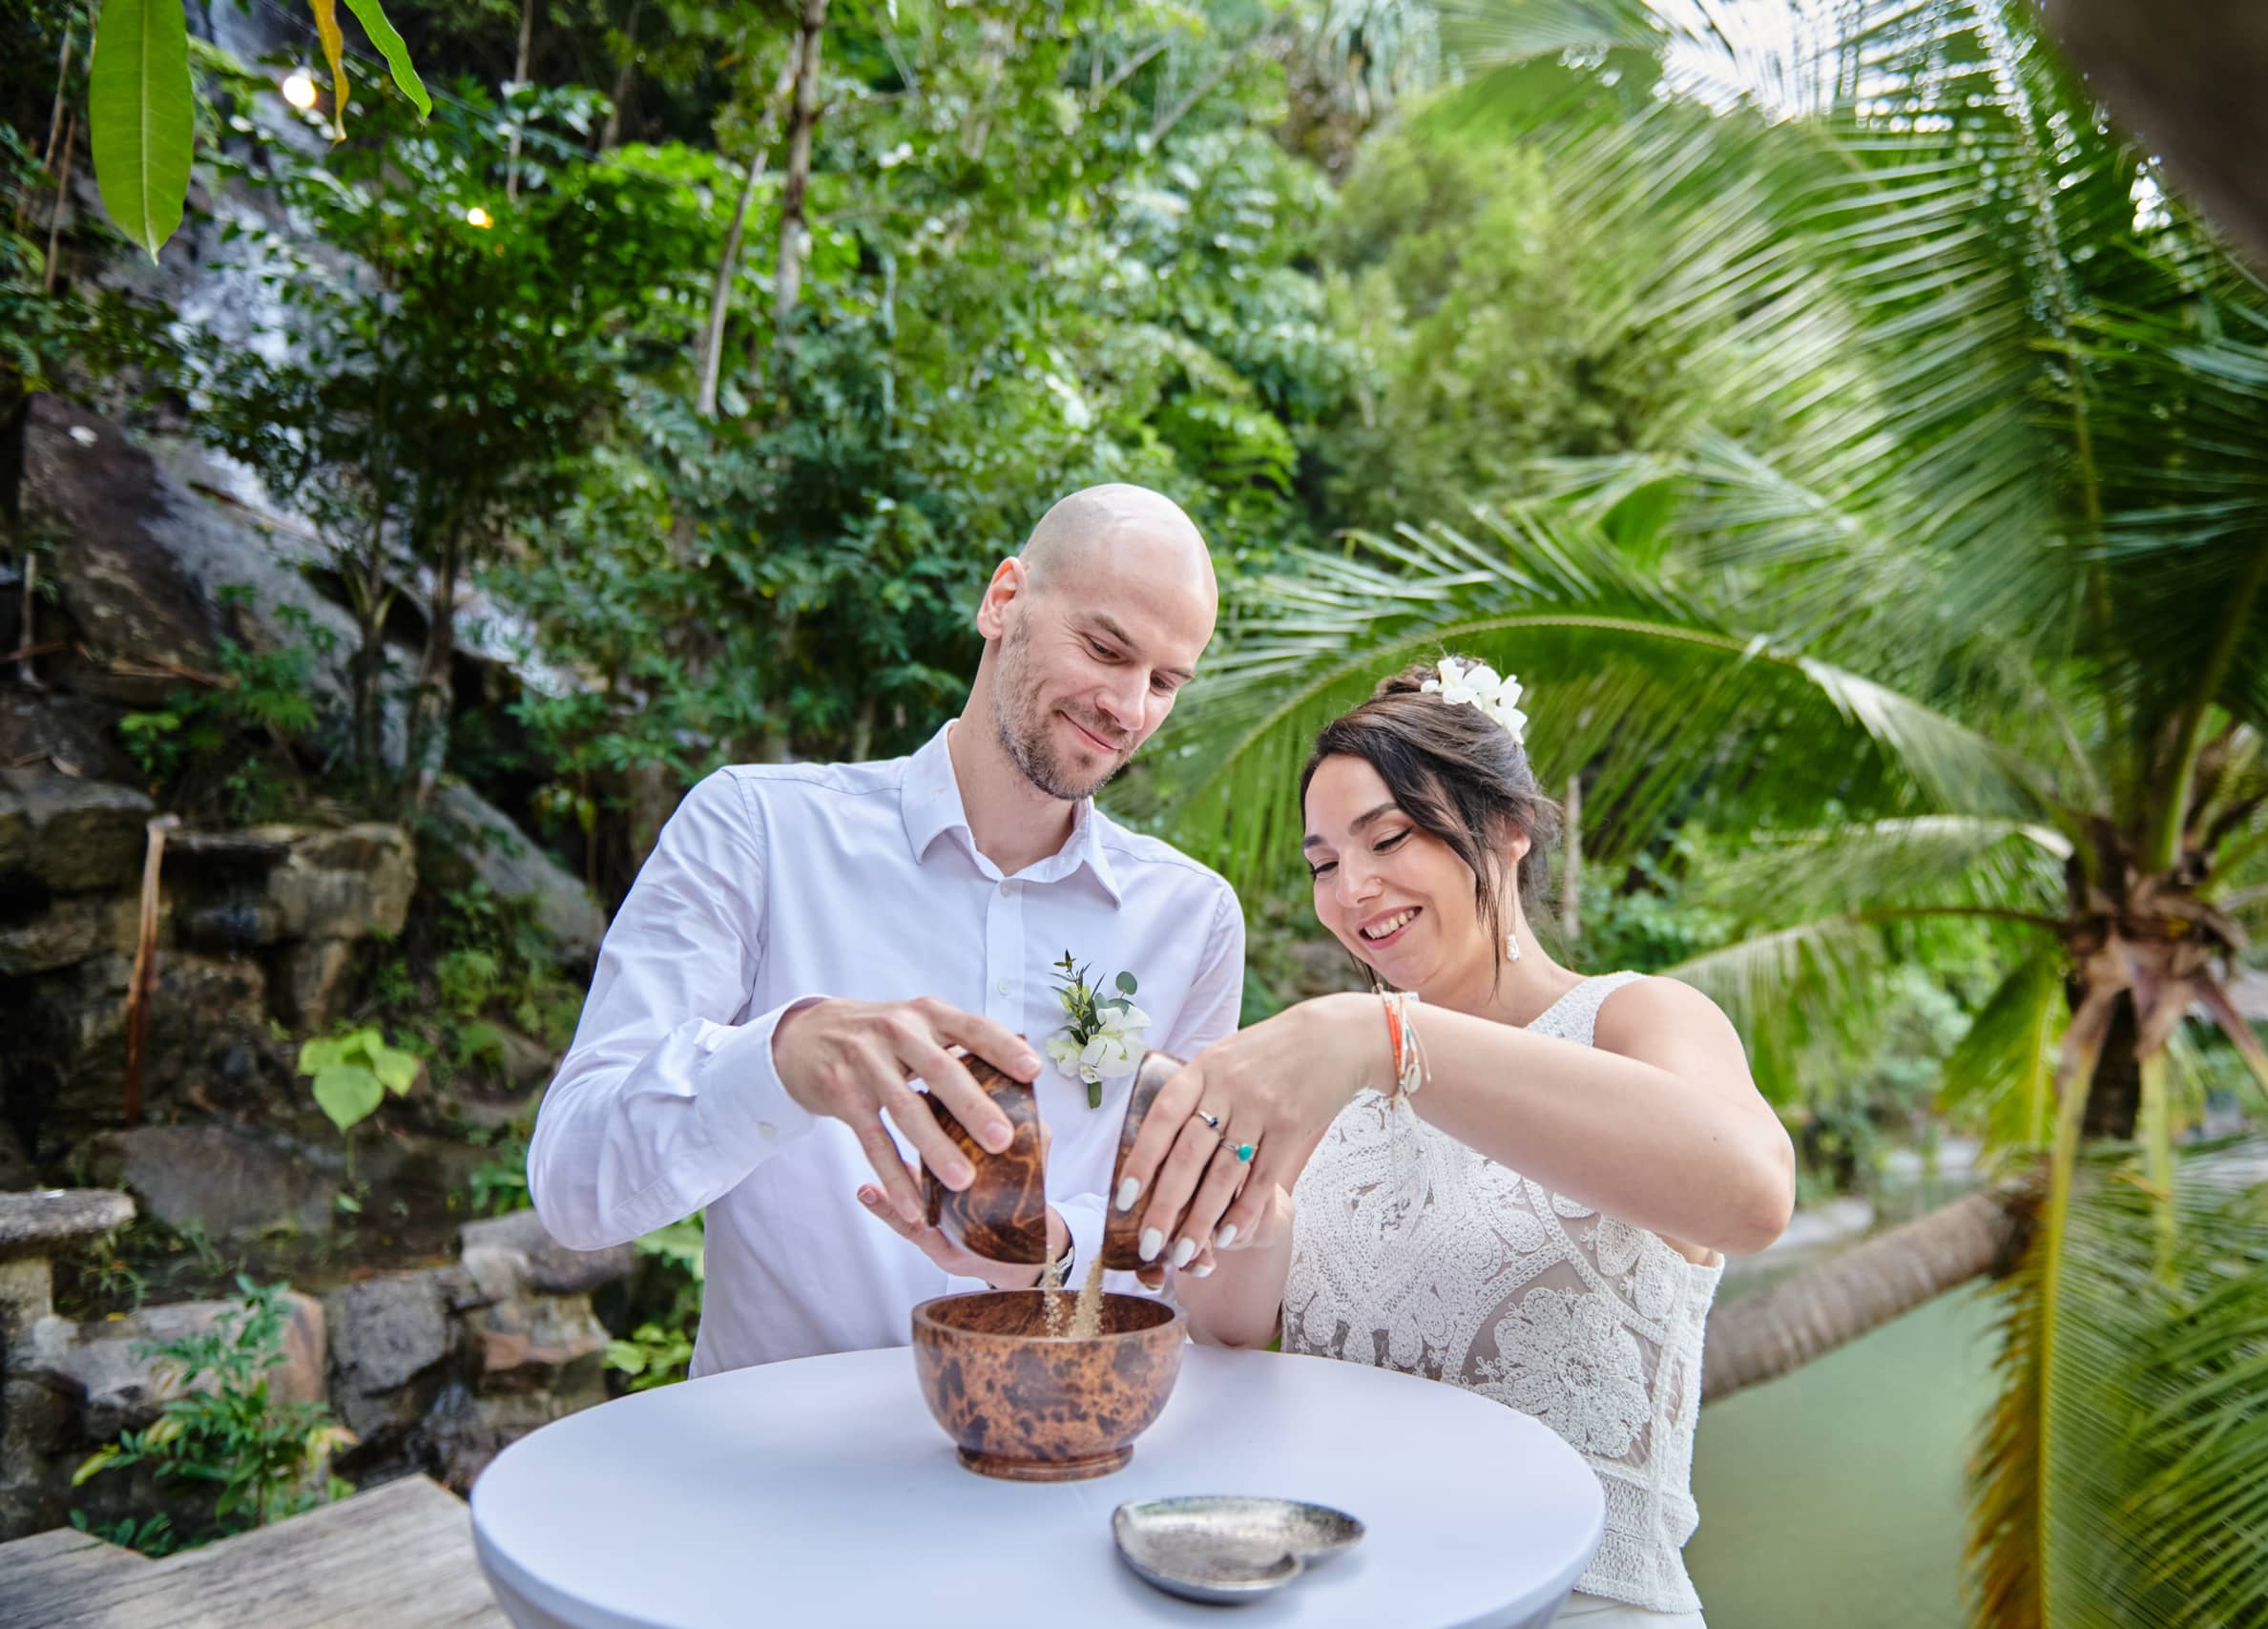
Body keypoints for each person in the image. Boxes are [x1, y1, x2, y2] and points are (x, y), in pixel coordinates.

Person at [1116, 658, 1794, 1626]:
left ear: (1507, 828)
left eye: (1386, 838)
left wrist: (1385, 1037)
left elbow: (1750, 1195)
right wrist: (1239, 1204)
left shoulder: (1635, 1019)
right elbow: (1232, 1331)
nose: (1352, 890)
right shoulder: (1340, 1079)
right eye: (1321, 864)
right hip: (1345, 1598)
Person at [529, 484, 1246, 1374]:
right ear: (1004, 599)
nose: (1129, 708)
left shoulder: (1195, 918)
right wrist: (779, 1061)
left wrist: (1058, 1247)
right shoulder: (755, 830)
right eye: (1105, 649)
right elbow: (572, 1185)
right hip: (781, 1471)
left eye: (1165, 681)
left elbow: (1173, 1236)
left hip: (1060, 1451)